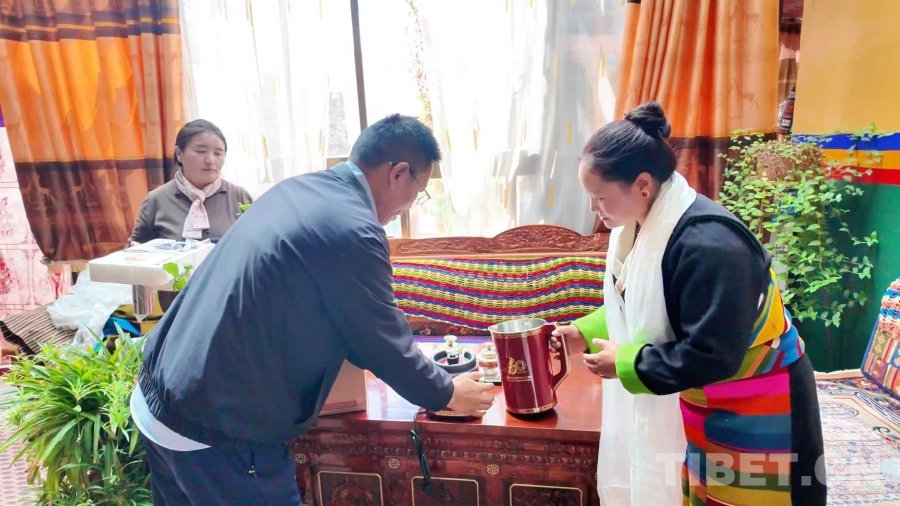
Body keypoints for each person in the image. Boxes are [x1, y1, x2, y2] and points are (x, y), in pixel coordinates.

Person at [131, 114, 495, 506]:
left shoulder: (296, 189)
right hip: (215, 429)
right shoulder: (354, 228)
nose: (408, 207)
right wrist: (446, 392)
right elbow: (380, 342)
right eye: (419, 193)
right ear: (399, 173)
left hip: (161, 397)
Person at [551, 102, 826, 505]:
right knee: (703, 493)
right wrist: (583, 333)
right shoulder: (641, 225)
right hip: (703, 395)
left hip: (758, 395)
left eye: (600, 198)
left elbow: (713, 353)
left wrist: (627, 363)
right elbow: (649, 304)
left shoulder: (710, 246)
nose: (594, 209)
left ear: (643, 184)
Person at [128, 119, 254, 311]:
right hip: (176, 307)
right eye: (201, 151)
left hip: (231, 304)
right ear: (179, 154)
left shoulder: (240, 197)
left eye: (218, 153)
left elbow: (255, 250)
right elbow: (135, 249)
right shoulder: (157, 200)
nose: (210, 160)